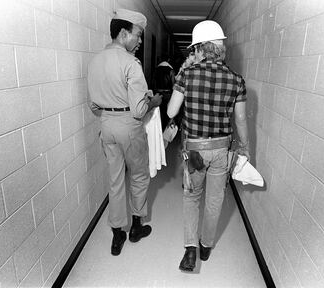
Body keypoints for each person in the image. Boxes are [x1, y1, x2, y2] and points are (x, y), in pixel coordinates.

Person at [167, 20, 250, 272]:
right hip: (221, 150)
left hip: (194, 151)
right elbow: (241, 119)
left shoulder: (187, 75)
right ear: (221, 47)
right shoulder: (236, 80)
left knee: (192, 197)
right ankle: (206, 246)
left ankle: (189, 250)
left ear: (200, 48)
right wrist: (245, 148)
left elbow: (171, 110)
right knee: (215, 200)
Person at [87, 8, 162, 256]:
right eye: (137, 35)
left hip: (106, 126)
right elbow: (139, 110)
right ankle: (137, 227)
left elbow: (93, 105)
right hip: (129, 127)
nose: (140, 42)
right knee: (139, 175)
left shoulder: (95, 60)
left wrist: (111, 109)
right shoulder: (131, 63)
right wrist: (154, 100)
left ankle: (117, 234)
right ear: (123, 33)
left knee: (115, 179)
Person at [153, 55, 175, 130]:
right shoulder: (171, 70)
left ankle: (159, 129)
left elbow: (153, 82)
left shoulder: (156, 69)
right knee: (167, 112)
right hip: (168, 94)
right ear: (168, 60)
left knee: (159, 112)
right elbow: (173, 84)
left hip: (158, 93)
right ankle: (166, 129)